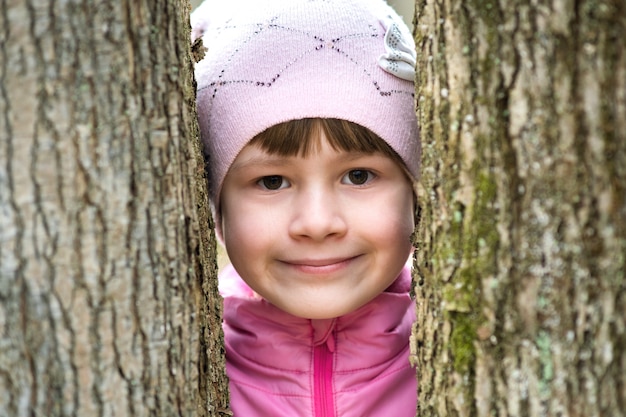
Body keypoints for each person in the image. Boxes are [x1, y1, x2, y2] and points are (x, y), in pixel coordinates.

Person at [192, 0, 420, 415]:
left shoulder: (466, 346)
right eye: (272, 181)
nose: (317, 223)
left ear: (415, 190)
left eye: (359, 176)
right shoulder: (190, 366)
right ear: (216, 201)